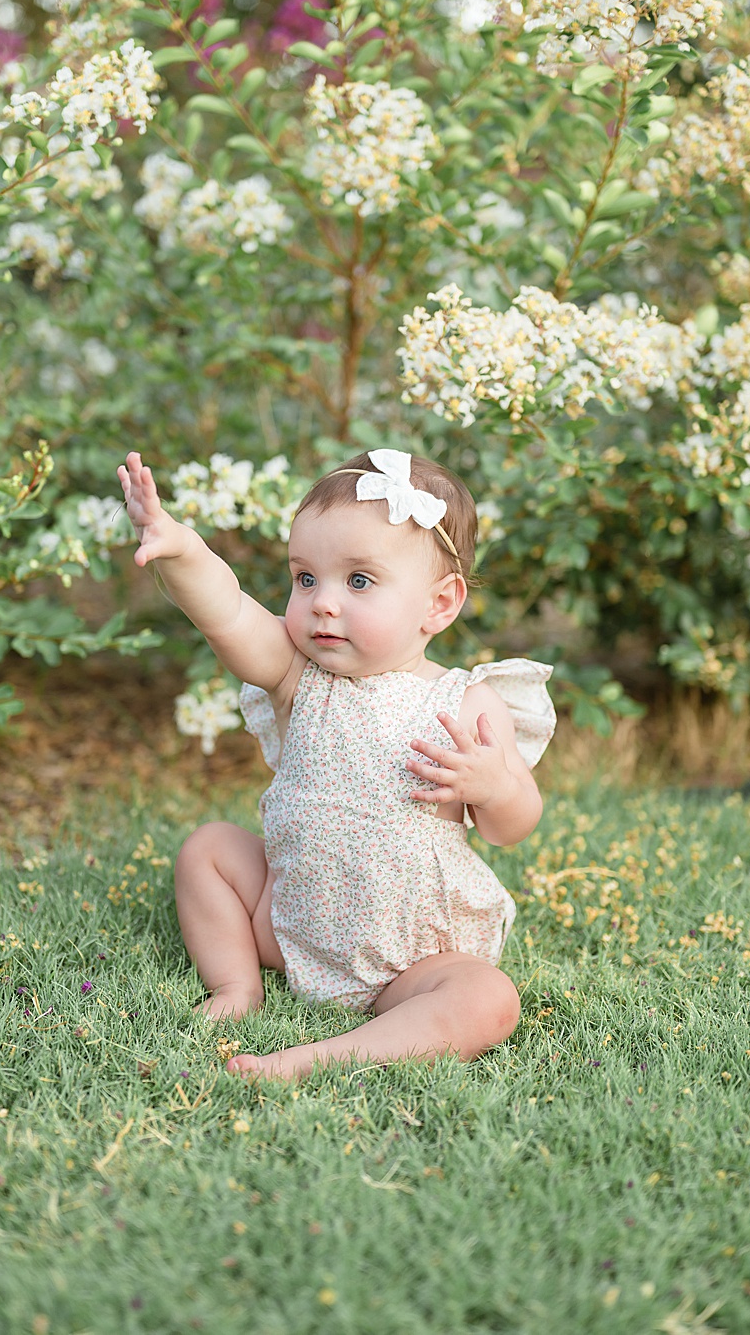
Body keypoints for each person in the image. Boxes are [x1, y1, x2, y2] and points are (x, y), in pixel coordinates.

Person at [118, 446, 554, 1080]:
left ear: (439, 604)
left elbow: (514, 824)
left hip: (410, 952)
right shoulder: (296, 674)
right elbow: (227, 611)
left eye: (358, 581)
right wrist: (180, 548)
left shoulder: (465, 700)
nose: (323, 602)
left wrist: (492, 788)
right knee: (208, 849)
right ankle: (237, 986)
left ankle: (322, 1057)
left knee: (487, 998)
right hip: (293, 921)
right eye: (304, 578)